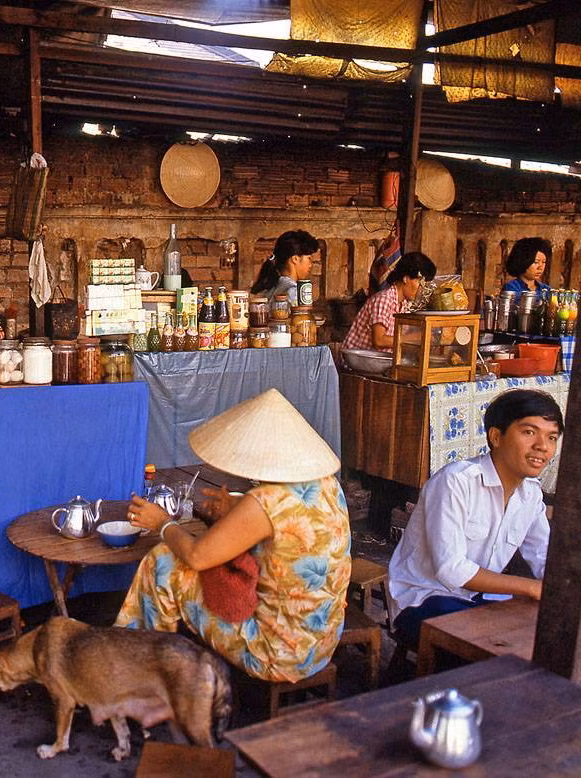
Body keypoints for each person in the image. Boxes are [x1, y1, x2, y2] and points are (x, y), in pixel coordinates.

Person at [115, 389, 350, 683]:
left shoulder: (265, 502)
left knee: (162, 563)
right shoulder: (327, 484)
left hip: (276, 652)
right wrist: (236, 508)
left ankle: (135, 674)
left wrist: (161, 522)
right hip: (321, 643)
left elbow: (197, 556)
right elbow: (288, 526)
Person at [388, 389, 563, 648]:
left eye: (552, 437)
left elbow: (544, 556)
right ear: (496, 437)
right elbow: (452, 570)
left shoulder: (530, 494)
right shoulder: (456, 482)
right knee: (493, 646)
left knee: (547, 632)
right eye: (529, 432)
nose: (542, 446)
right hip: (425, 598)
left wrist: (561, 589)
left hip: (479, 600)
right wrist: (529, 587)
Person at [341, 251, 436, 352]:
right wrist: (416, 337)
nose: (420, 289)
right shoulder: (383, 299)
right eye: (419, 282)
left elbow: (399, 340)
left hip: (379, 363)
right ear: (406, 278)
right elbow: (379, 341)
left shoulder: (404, 305)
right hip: (356, 363)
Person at [250, 230, 319, 306]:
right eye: (309, 259)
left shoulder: (271, 288)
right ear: (295, 259)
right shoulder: (293, 291)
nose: (310, 265)